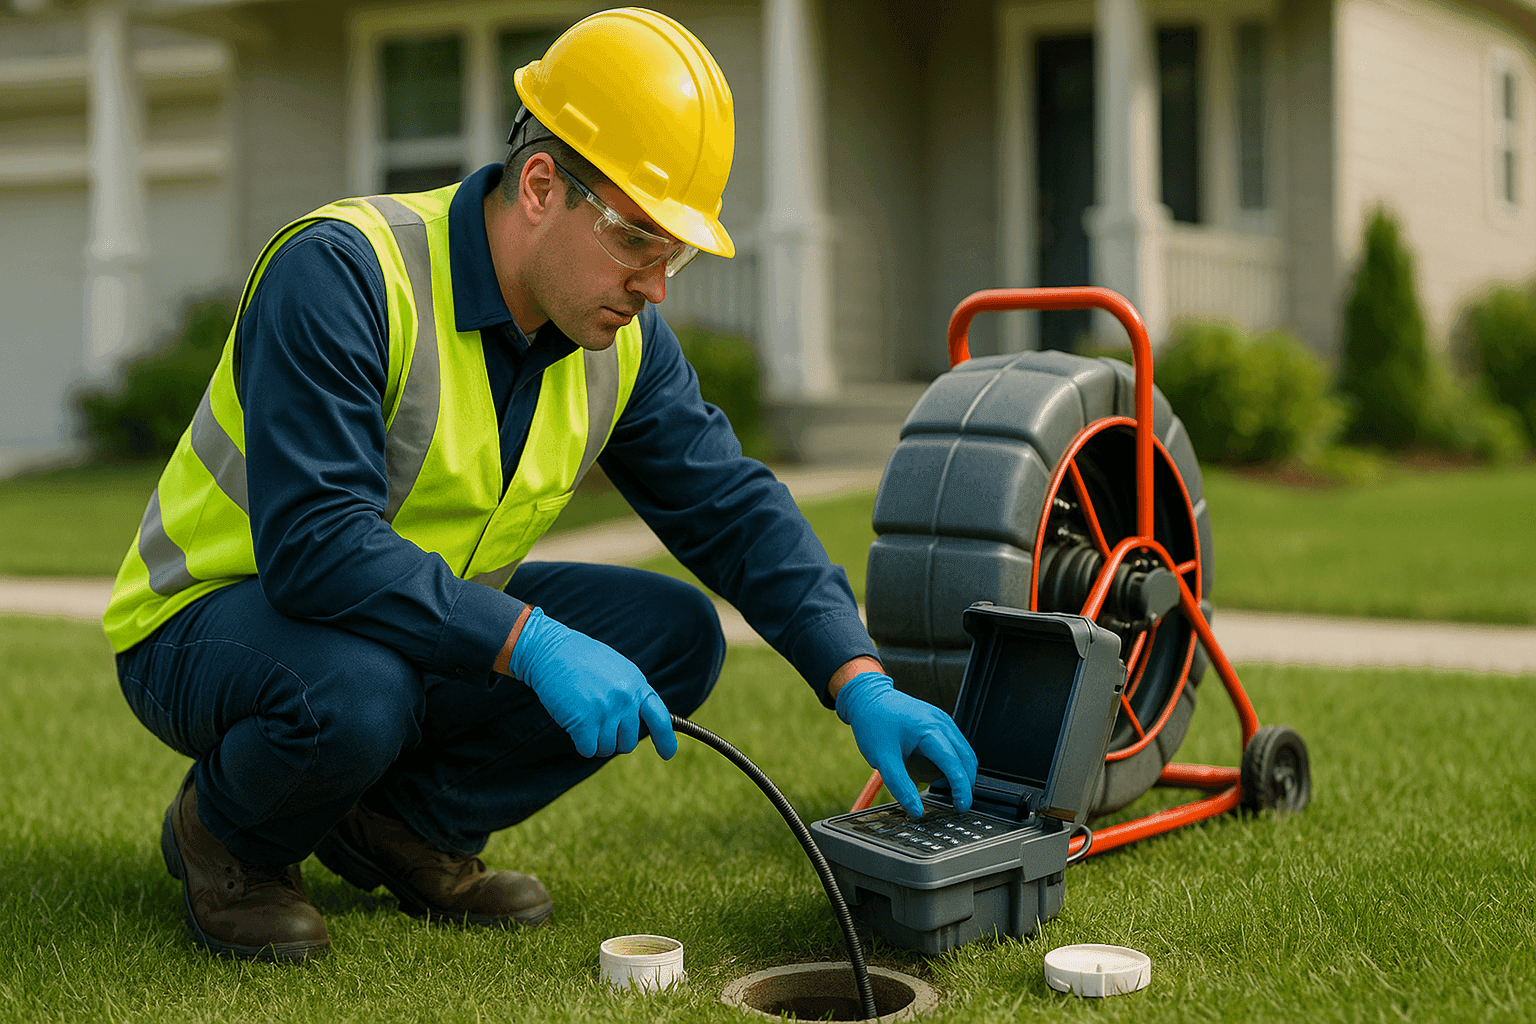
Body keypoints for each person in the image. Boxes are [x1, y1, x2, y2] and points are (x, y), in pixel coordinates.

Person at [103, 7, 977, 963]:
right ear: (538, 186)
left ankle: (401, 826)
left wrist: (859, 679)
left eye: (675, 252)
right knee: (357, 693)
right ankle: (226, 837)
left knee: (673, 636)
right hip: (210, 618)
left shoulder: (621, 341)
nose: (658, 284)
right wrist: (530, 640)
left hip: (400, 622)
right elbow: (315, 544)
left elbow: (731, 509)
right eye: (640, 239)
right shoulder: (342, 273)